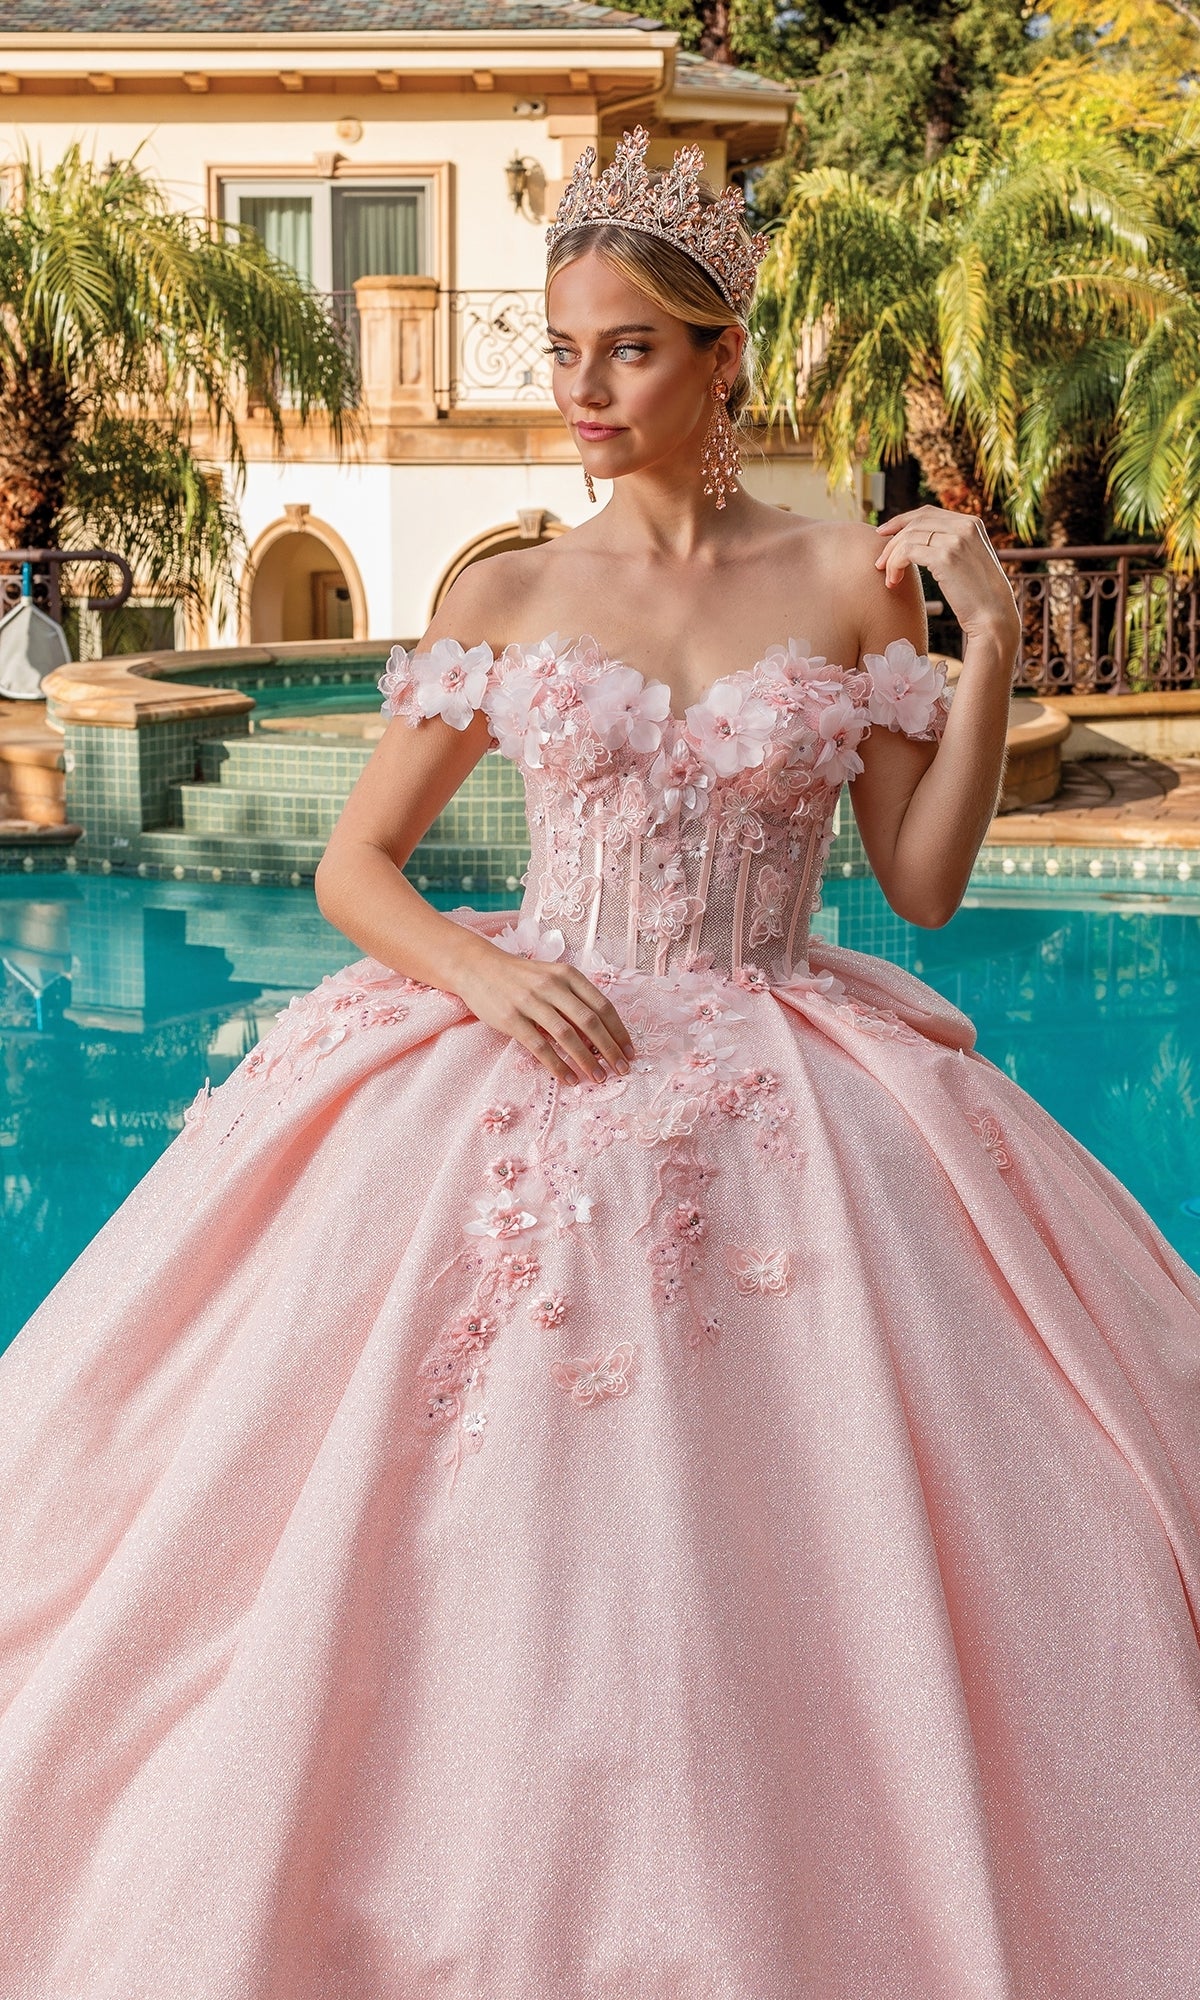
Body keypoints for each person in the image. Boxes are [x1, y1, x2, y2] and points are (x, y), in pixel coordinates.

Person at [1, 125, 1198, 2000]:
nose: (583, 390)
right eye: (564, 351)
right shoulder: (504, 595)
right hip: (522, 1045)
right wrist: (478, 976)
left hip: (788, 1072)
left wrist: (990, 644)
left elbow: (927, 885)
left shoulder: (844, 582)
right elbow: (351, 867)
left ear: (723, 359)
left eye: (629, 349)